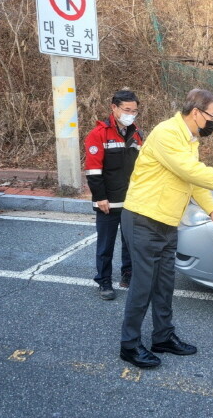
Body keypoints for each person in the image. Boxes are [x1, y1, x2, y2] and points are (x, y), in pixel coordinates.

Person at [119, 88, 213, 368]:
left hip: (168, 222)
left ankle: (163, 337)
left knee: (164, 284)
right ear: (196, 113)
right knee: (143, 286)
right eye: (212, 115)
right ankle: (130, 345)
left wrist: (211, 208)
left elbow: (191, 179)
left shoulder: (190, 140)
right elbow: (190, 171)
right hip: (144, 219)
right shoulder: (166, 133)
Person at [84, 89, 143, 300]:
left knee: (130, 242)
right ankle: (104, 280)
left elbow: (143, 168)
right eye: (127, 110)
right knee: (105, 245)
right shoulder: (98, 134)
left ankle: (128, 274)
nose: (131, 114)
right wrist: (100, 197)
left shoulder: (137, 134)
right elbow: (93, 171)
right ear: (114, 108)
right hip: (107, 202)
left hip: (132, 201)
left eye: (134, 111)